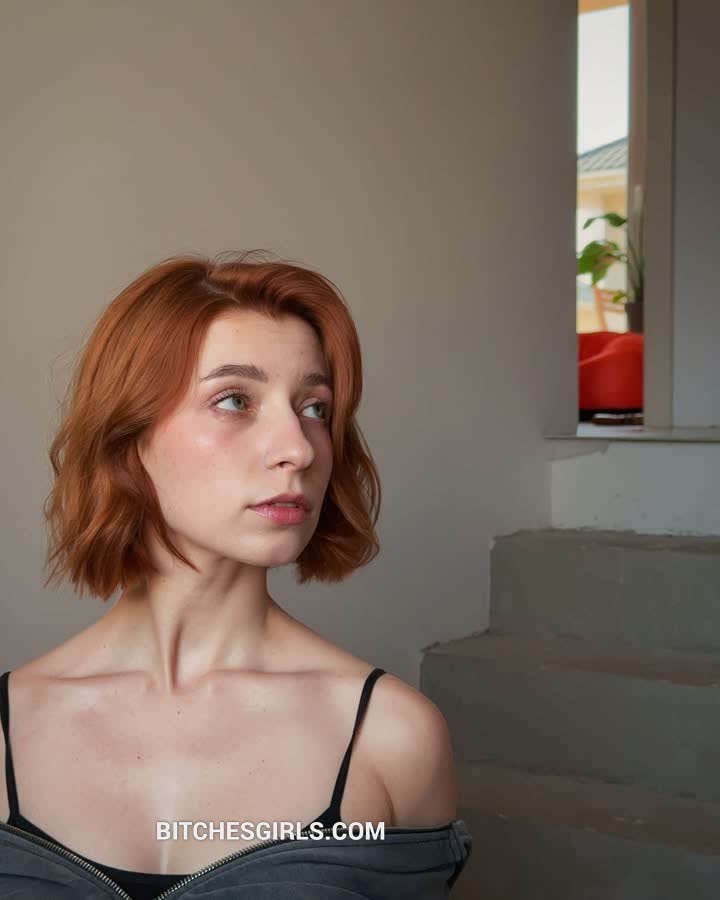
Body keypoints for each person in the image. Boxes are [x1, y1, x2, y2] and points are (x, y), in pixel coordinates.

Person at [0, 251, 472, 898]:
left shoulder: (393, 737)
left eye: (314, 408)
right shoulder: (4, 732)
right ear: (127, 435)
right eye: (233, 400)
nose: (298, 449)